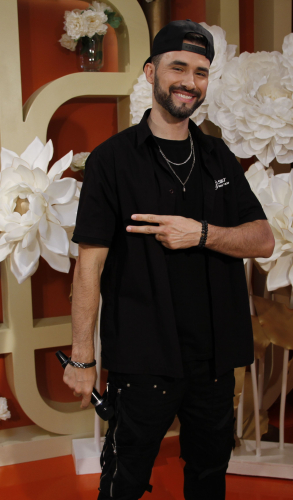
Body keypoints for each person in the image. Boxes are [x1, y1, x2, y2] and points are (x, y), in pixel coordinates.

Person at [63, 20, 275, 500]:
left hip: (215, 357)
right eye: (178, 67)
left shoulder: (218, 156)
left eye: (201, 72)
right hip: (143, 358)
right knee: (124, 480)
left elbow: (262, 240)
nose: (189, 82)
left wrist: (199, 233)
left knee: (209, 476)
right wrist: (82, 357)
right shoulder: (111, 160)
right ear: (150, 73)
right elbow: (89, 266)